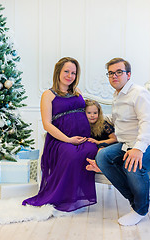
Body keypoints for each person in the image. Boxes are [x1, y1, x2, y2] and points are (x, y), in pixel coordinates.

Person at [86, 57, 150, 226]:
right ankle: (135, 201)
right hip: (127, 144)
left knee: (131, 163)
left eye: (119, 72)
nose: (114, 76)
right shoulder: (117, 95)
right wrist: (92, 116)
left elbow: (148, 122)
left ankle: (140, 210)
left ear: (128, 75)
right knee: (102, 157)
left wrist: (138, 149)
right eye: (110, 73)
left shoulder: (138, 93)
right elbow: (119, 121)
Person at [22, 57, 98, 212]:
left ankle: (76, 195)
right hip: (60, 140)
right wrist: (68, 139)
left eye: (73, 73)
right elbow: (47, 124)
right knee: (71, 155)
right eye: (66, 71)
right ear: (58, 72)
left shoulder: (77, 92)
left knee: (91, 150)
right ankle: (61, 196)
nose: (70, 76)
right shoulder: (48, 95)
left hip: (81, 139)